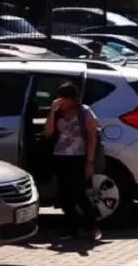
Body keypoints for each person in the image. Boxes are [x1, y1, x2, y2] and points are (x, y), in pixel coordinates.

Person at [42, 82, 103, 241]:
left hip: (79, 156)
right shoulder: (58, 114)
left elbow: (92, 138)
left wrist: (89, 162)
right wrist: (52, 112)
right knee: (64, 195)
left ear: (72, 99)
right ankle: (72, 229)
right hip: (61, 156)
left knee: (80, 194)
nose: (61, 102)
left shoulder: (84, 112)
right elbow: (48, 133)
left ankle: (92, 227)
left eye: (65, 98)